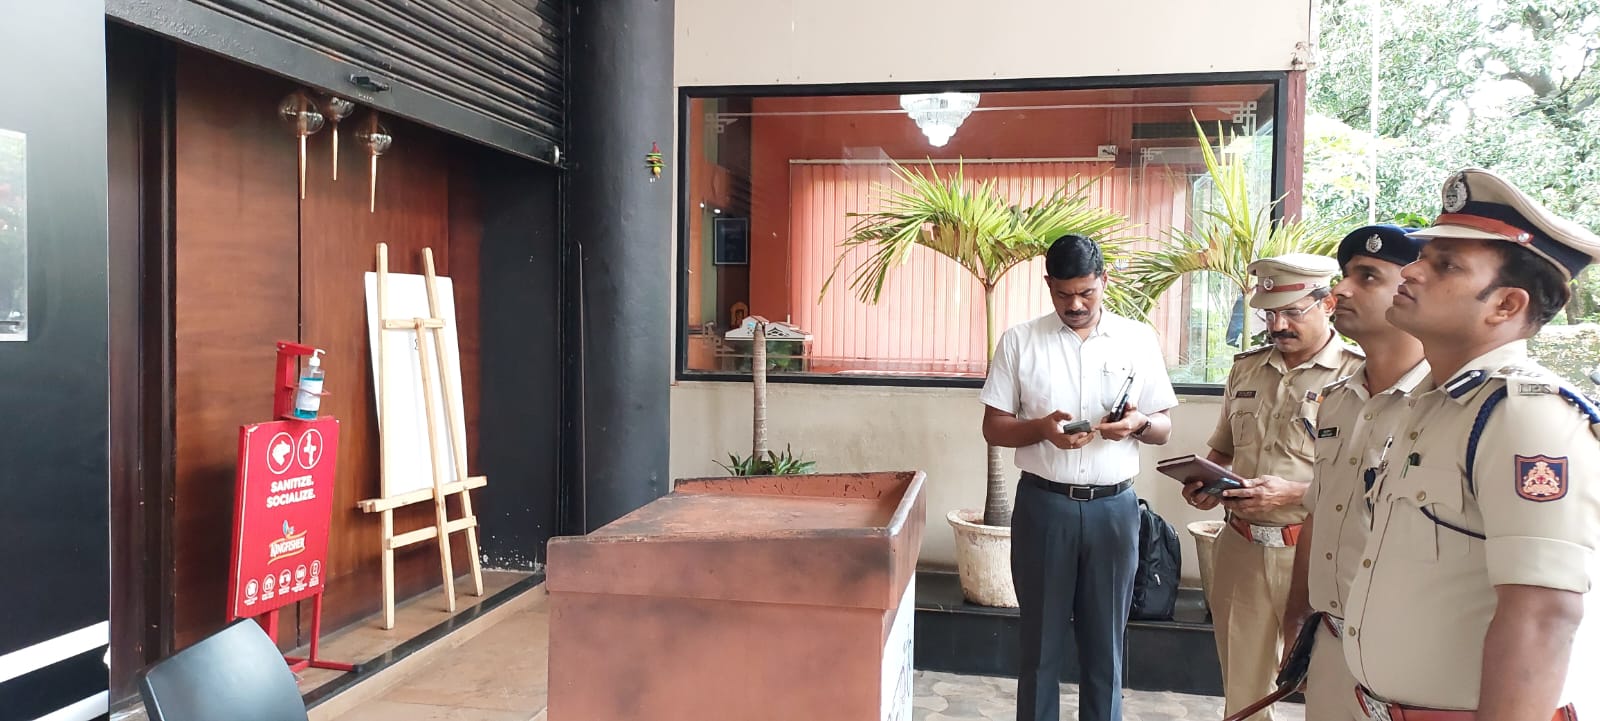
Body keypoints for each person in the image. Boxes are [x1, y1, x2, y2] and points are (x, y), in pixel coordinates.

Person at [1341, 168, 1600, 720]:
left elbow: (1544, 616)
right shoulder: (1429, 405)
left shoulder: (1525, 415)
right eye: (1423, 256)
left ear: (1505, 305)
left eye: (1446, 265)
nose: (1413, 270)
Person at [980, 234, 1179, 721]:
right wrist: (1042, 430)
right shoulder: (1020, 341)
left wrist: (1138, 423)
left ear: (1104, 281)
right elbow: (994, 427)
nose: (1074, 305)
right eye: (1063, 294)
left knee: (1106, 648)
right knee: (1039, 647)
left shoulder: (1137, 339)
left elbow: (1163, 428)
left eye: (1086, 293)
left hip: (1115, 509)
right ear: (1048, 284)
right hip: (1044, 508)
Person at [1183, 252, 1365, 721]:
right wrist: (1205, 482)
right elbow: (1223, 449)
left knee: (1330, 689)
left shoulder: (1357, 374)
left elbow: (1367, 479)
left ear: (1327, 304)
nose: (1278, 325)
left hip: (1317, 552)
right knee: (1243, 692)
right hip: (1241, 549)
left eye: (1292, 312)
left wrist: (1292, 493)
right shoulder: (1246, 369)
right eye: (1269, 314)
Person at [1278, 225, 1427, 721]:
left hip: (1408, 657)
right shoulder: (1340, 401)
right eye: (1345, 275)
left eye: (1368, 277)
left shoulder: (1443, 408)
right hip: (1331, 643)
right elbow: (1321, 514)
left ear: (1415, 287)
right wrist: (1297, 619)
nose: (1340, 289)